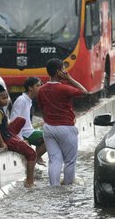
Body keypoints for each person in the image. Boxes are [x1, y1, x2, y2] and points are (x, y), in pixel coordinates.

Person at [37, 58, 89, 186]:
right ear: (58, 72)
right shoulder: (65, 88)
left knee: (54, 160)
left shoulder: (41, 90)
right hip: (66, 128)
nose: (65, 71)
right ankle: (67, 187)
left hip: (48, 128)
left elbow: (42, 110)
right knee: (70, 161)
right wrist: (70, 79)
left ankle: (54, 187)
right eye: (63, 69)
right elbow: (84, 92)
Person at [0, 84, 37, 188]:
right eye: (3, 98)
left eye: (7, 97)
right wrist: (2, 142)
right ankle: (29, 181)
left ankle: (18, 140)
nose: (6, 100)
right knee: (32, 153)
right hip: (6, 138)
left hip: (8, 134)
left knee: (21, 120)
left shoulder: (1, 109)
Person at [10, 77, 47, 166]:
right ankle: (37, 157)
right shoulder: (22, 100)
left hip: (29, 131)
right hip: (25, 134)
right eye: (38, 86)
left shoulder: (28, 100)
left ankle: (36, 157)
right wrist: (19, 139)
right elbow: (14, 120)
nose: (40, 88)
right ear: (30, 88)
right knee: (51, 135)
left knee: (50, 132)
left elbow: (26, 121)